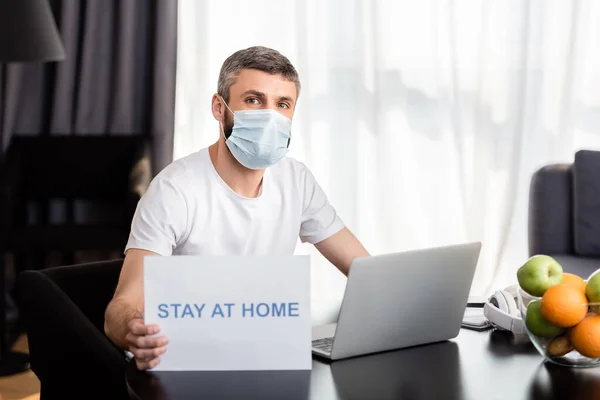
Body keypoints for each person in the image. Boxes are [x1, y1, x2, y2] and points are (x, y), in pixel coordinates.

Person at [104, 46, 369, 370]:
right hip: (185, 365)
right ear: (220, 107)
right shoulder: (175, 190)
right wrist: (134, 332)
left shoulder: (296, 180)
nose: (270, 116)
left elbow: (364, 271)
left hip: (262, 359)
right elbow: (122, 306)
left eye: (282, 104)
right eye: (254, 100)